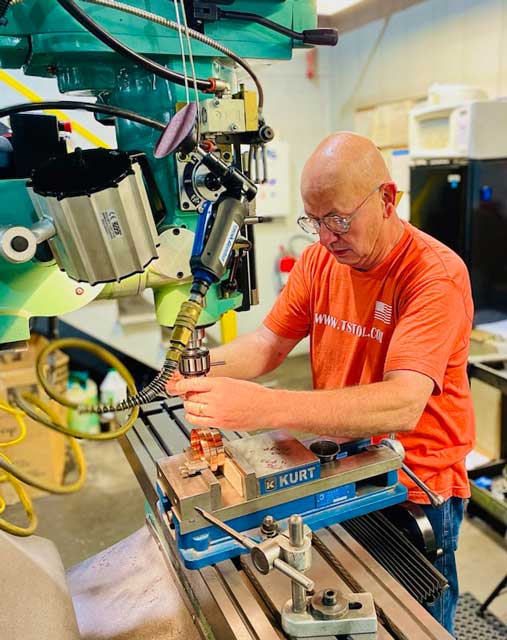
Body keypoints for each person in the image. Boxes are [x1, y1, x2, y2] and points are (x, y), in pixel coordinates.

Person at [168, 132, 475, 636]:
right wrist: (200, 367)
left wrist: (263, 408)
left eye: (338, 219)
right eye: (314, 221)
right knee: (351, 601)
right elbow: (268, 344)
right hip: (338, 468)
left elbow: (402, 404)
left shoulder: (432, 276)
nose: (327, 236)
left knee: (413, 624)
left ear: (387, 199)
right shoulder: (320, 261)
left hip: (413, 486)